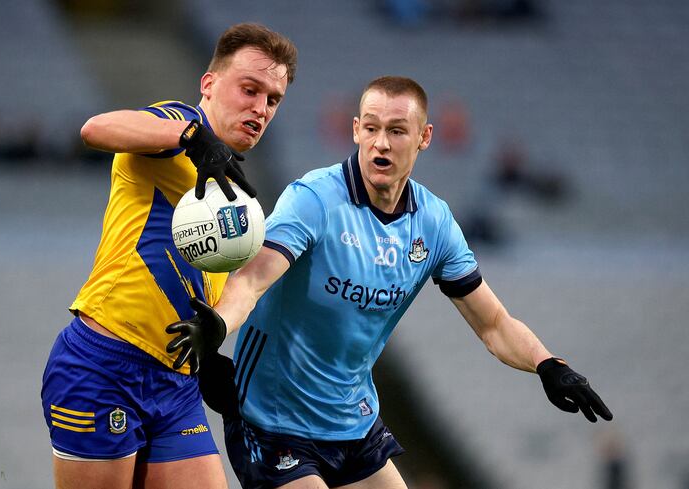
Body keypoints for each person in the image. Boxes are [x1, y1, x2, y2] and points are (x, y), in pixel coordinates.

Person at [165, 75, 613, 489]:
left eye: (397, 131)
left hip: (354, 423)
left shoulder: (434, 223)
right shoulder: (314, 199)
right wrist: (218, 325)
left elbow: (493, 324)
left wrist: (547, 364)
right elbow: (252, 281)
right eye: (372, 128)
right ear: (356, 130)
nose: (382, 143)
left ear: (424, 137)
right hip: (272, 420)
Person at [40, 23, 297, 489]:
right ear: (209, 84)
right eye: (249, 89)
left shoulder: (234, 186)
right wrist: (191, 136)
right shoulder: (171, 126)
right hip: (102, 365)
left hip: (174, 383)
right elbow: (95, 129)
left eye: (273, 99)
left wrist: (210, 343)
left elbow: (205, 278)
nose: (260, 108)